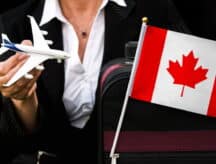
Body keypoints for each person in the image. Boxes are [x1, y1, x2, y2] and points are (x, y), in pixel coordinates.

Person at [0, 0, 189, 163]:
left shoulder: (155, 12)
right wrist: (22, 97)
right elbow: (15, 141)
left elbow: (185, 105)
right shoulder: (14, 23)